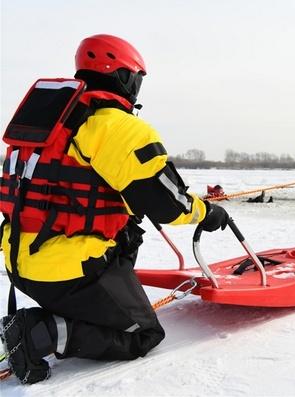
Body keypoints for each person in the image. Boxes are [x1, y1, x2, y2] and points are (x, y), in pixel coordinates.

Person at [0, 34, 230, 384]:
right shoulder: (116, 127)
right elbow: (168, 205)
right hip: (69, 273)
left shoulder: (50, 125)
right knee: (143, 335)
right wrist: (207, 212)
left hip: (22, 265)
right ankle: (40, 332)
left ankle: (78, 308)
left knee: (127, 229)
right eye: (136, 78)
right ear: (124, 77)